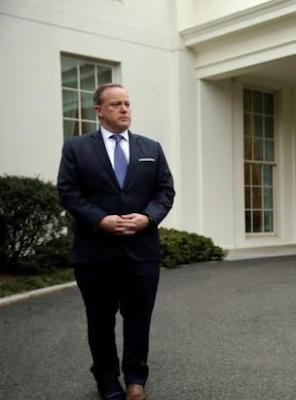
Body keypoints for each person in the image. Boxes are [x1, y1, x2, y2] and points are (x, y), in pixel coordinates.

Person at [58, 84, 175, 400]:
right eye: (116, 104)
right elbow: (69, 193)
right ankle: (108, 382)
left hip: (142, 252)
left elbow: (165, 192)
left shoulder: (151, 148)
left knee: (139, 319)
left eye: (127, 103)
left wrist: (147, 218)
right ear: (99, 110)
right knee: (100, 321)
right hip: (95, 252)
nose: (124, 109)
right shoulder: (76, 148)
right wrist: (100, 219)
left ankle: (136, 378)